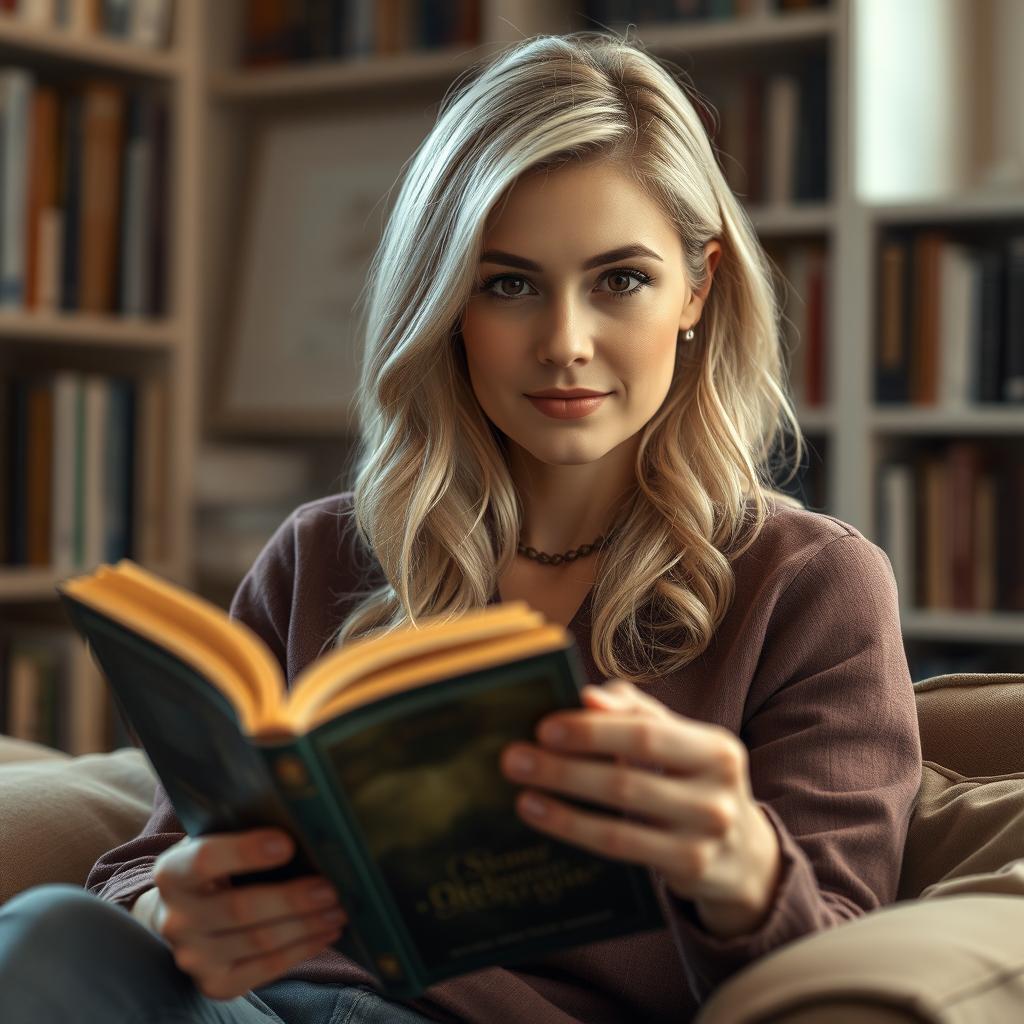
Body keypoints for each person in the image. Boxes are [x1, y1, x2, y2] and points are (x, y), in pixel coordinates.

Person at [0, 28, 922, 1024]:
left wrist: (741, 865)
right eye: (507, 284)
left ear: (696, 287)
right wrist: (171, 902)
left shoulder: (808, 585)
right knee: (50, 934)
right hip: (260, 1011)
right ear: (448, 305)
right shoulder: (321, 554)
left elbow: (839, 966)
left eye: (621, 280)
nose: (564, 343)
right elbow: (145, 863)